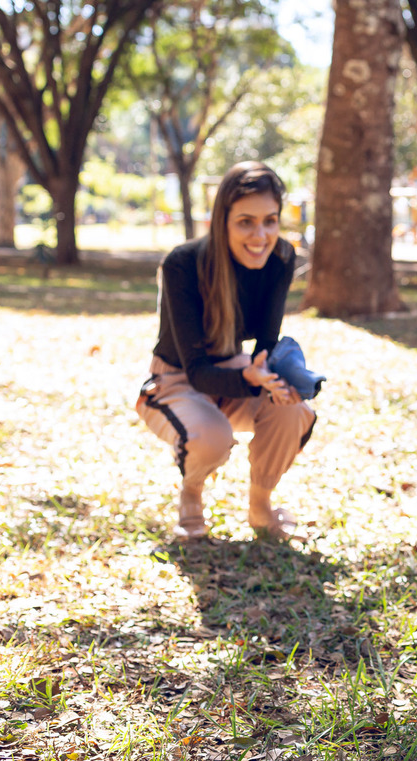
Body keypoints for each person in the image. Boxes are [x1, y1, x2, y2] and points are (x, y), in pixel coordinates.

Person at [135, 162, 316, 541]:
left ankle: (260, 506)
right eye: (245, 222)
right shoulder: (182, 265)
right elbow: (198, 370)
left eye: (270, 220)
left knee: (293, 410)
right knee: (212, 436)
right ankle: (191, 493)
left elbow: (267, 342)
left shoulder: (281, 258)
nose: (260, 235)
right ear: (222, 221)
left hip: (236, 370)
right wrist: (249, 379)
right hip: (178, 378)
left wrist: (272, 380)